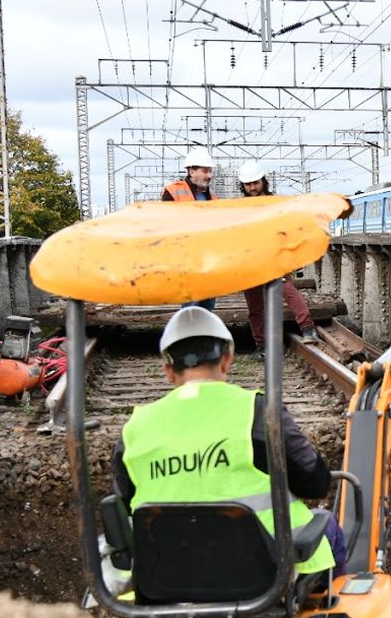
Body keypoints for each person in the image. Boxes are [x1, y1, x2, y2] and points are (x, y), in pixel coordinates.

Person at [108, 306, 348, 589]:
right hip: (269, 581)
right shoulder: (259, 412)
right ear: (226, 360)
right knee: (328, 524)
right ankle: (334, 612)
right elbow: (315, 482)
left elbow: (122, 510)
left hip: (168, 583)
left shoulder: (134, 429)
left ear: (169, 372)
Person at [238, 160, 319, 356]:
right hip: (251, 261)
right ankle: (262, 346)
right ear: (243, 186)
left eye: (255, 183)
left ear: (263, 181)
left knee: (288, 290)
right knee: (255, 306)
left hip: (274, 257)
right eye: (248, 184)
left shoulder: (277, 204)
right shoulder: (240, 207)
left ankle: (308, 329)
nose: (252, 187)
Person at [164, 148, 219, 310]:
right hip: (186, 259)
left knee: (208, 305)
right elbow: (165, 225)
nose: (209, 175)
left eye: (210, 171)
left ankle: (202, 334)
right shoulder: (173, 191)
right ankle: (190, 333)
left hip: (208, 260)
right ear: (192, 171)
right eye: (205, 171)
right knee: (191, 305)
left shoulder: (213, 197)